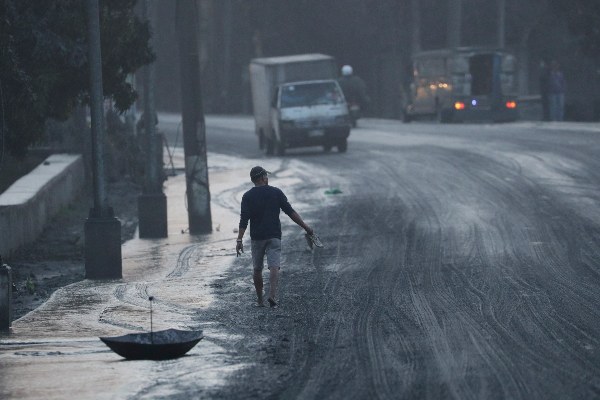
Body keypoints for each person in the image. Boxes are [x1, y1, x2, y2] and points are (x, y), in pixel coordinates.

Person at [236, 166, 313, 308]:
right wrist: (306, 227)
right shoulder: (276, 192)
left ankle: (260, 300)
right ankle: (272, 295)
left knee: (257, 269)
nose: (267, 178)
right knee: (274, 266)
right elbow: (291, 212)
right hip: (274, 235)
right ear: (263, 178)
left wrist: (239, 239)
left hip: (257, 237)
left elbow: (244, 220)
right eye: (266, 175)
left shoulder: (247, 196)